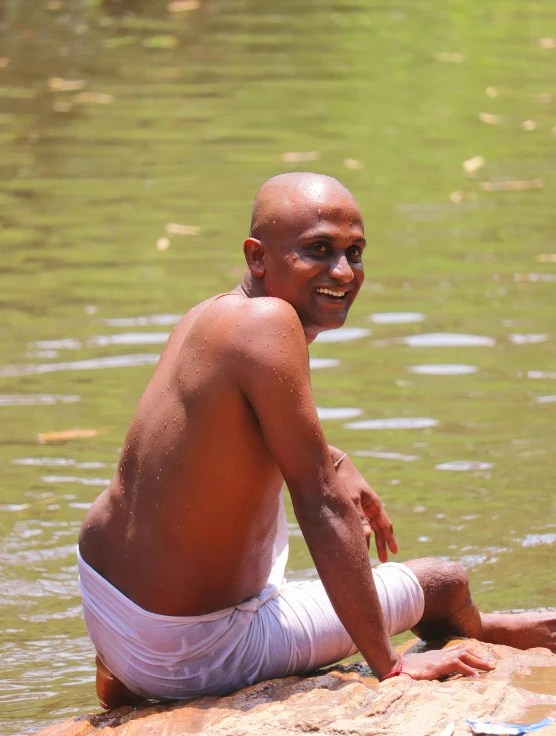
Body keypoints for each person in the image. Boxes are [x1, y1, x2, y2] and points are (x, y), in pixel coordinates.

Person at [78, 172, 555, 709]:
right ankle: (483, 626)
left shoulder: (207, 315)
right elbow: (319, 501)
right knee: (444, 581)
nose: (344, 272)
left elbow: (215, 442)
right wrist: (390, 665)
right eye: (319, 250)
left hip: (109, 607)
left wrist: (335, 458)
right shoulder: (270, 323)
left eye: (355, 251)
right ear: (257, 257)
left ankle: (125, 681)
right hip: (192, 648)